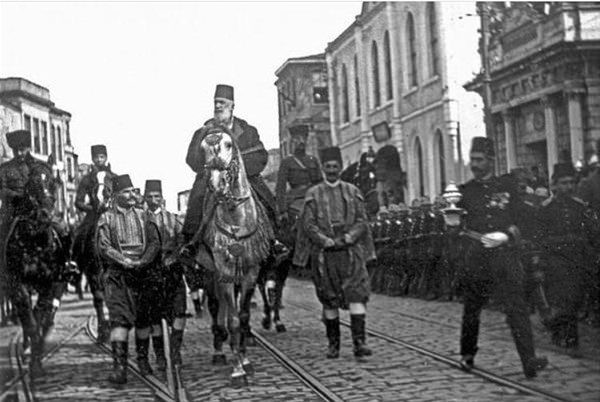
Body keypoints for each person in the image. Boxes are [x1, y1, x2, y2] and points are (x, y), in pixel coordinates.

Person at [457, 137, 547, 379]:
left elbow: (523, 220)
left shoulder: (507, 187)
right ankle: (467, 354)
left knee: (516, 307)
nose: (474, 164)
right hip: (476, 259)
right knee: (472, 308)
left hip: (504, 258)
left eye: (479, 160)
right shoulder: (465, 193)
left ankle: (528, 359)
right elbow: (456, 228)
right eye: (472, 159)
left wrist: (506, 236)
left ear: (491, 161)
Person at [182, 84, 276, 315]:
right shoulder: (204, 131)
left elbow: (260, 155)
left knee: (268, 199)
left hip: (244, 178)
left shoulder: (247, 130)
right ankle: (190, 243)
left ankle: (274, 241)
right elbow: (191, 158)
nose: (218, 107)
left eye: (222, 104)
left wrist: (241, 167)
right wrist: (208, 163)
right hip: (212, 177)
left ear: (232, 106)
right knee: (196, 200)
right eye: (216, 104)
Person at [294, 146, 376, 359]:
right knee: (329, 298)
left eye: (335, 166)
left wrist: (351, 236)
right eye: (328, 167)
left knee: (357, 295)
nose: (331, 170)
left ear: (340, 168)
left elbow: (361, 220)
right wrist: (325, 240)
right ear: (323, 168)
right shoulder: (313, 194)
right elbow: (309, 224)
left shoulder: (352, 191)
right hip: (326, 255)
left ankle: (360, 343)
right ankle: (334, 345)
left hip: (351, 253)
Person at [0, 130, 67, 377]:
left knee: (63, 231)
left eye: (24, 148)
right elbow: (3, 192)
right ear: (13, 149)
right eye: (17, 149)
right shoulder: (5, 169)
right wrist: (21, 196)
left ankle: (68, 263)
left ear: (28, 147)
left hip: (41, 214)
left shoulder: (40, 167)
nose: (21, 153)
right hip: (14, 214)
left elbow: (51, 187)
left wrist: (46, 200)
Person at [97, 174, 161, 384]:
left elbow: (154, 243)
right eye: (126, 191)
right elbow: (104, 246)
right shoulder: (106, 218)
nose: (132, 195)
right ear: (116, 195)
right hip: (117, 277)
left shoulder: (145, 215)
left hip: (142, 274)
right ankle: (120, 368)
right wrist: (122, 260)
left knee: (143, 320)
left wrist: (143, 261)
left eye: (133, 190)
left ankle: (143, 361)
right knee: (120, 322)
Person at [537, 163, 600, 351]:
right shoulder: (544, 208)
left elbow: (592, 233)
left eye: (571, 182)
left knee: (574, 300)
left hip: (577, 260)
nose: (568, 187)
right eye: (564, 183)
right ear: (554, 185)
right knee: (563, 300)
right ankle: (568, 338)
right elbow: (539, 237)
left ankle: (563, 333)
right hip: (555, 261)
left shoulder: (580, 207)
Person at [73, 144, 117, 342]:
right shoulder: (87, 179)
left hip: (110, 214)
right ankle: (74, 264)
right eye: (96, 158)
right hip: (93, 214)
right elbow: (78, 201)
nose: (99, 160)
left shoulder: (113, 176)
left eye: (102, 157)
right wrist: (90, 206)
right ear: (92, 160)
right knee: (80, 235)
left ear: (106, 157)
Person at [144, 179, 187, 369]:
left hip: (172, 272)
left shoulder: (173, 219)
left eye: (157, 196)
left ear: (162, 198)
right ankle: (160, 355)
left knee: (179, 313)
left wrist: (177, 256)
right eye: (150, 196)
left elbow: (182, 242)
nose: (154, 200)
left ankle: (175, 351)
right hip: (150, 274)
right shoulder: (139, 221)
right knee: (153, 317)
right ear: (145, 198)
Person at [275, 124, 322, 245]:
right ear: (292, 141)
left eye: (304, 138)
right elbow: (280, 187)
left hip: (313, 197)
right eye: (297, 139)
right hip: (295, 199)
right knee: (302, 219)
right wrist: (282, 210)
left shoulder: (313, 160)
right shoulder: (287, 162)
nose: (301, 142)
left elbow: (320, 183)